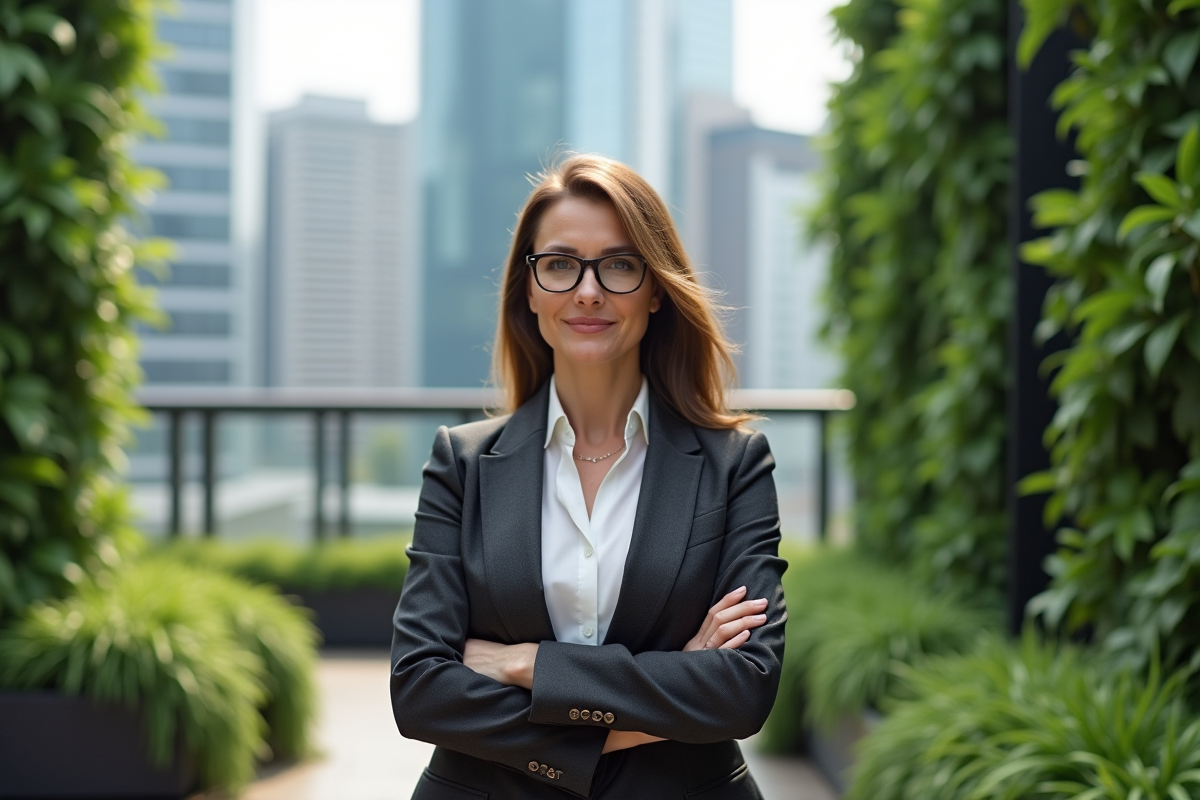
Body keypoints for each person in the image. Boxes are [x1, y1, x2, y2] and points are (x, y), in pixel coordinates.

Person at [390, 154, 785, 799]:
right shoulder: (461, 464)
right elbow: (420, 689)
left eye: (620, 265)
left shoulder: (734, 465)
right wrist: (665, 693)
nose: (588, 291)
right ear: (530, 287)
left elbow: (742, 690)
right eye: (560, 264)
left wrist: (526, 664)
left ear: (657, 288)